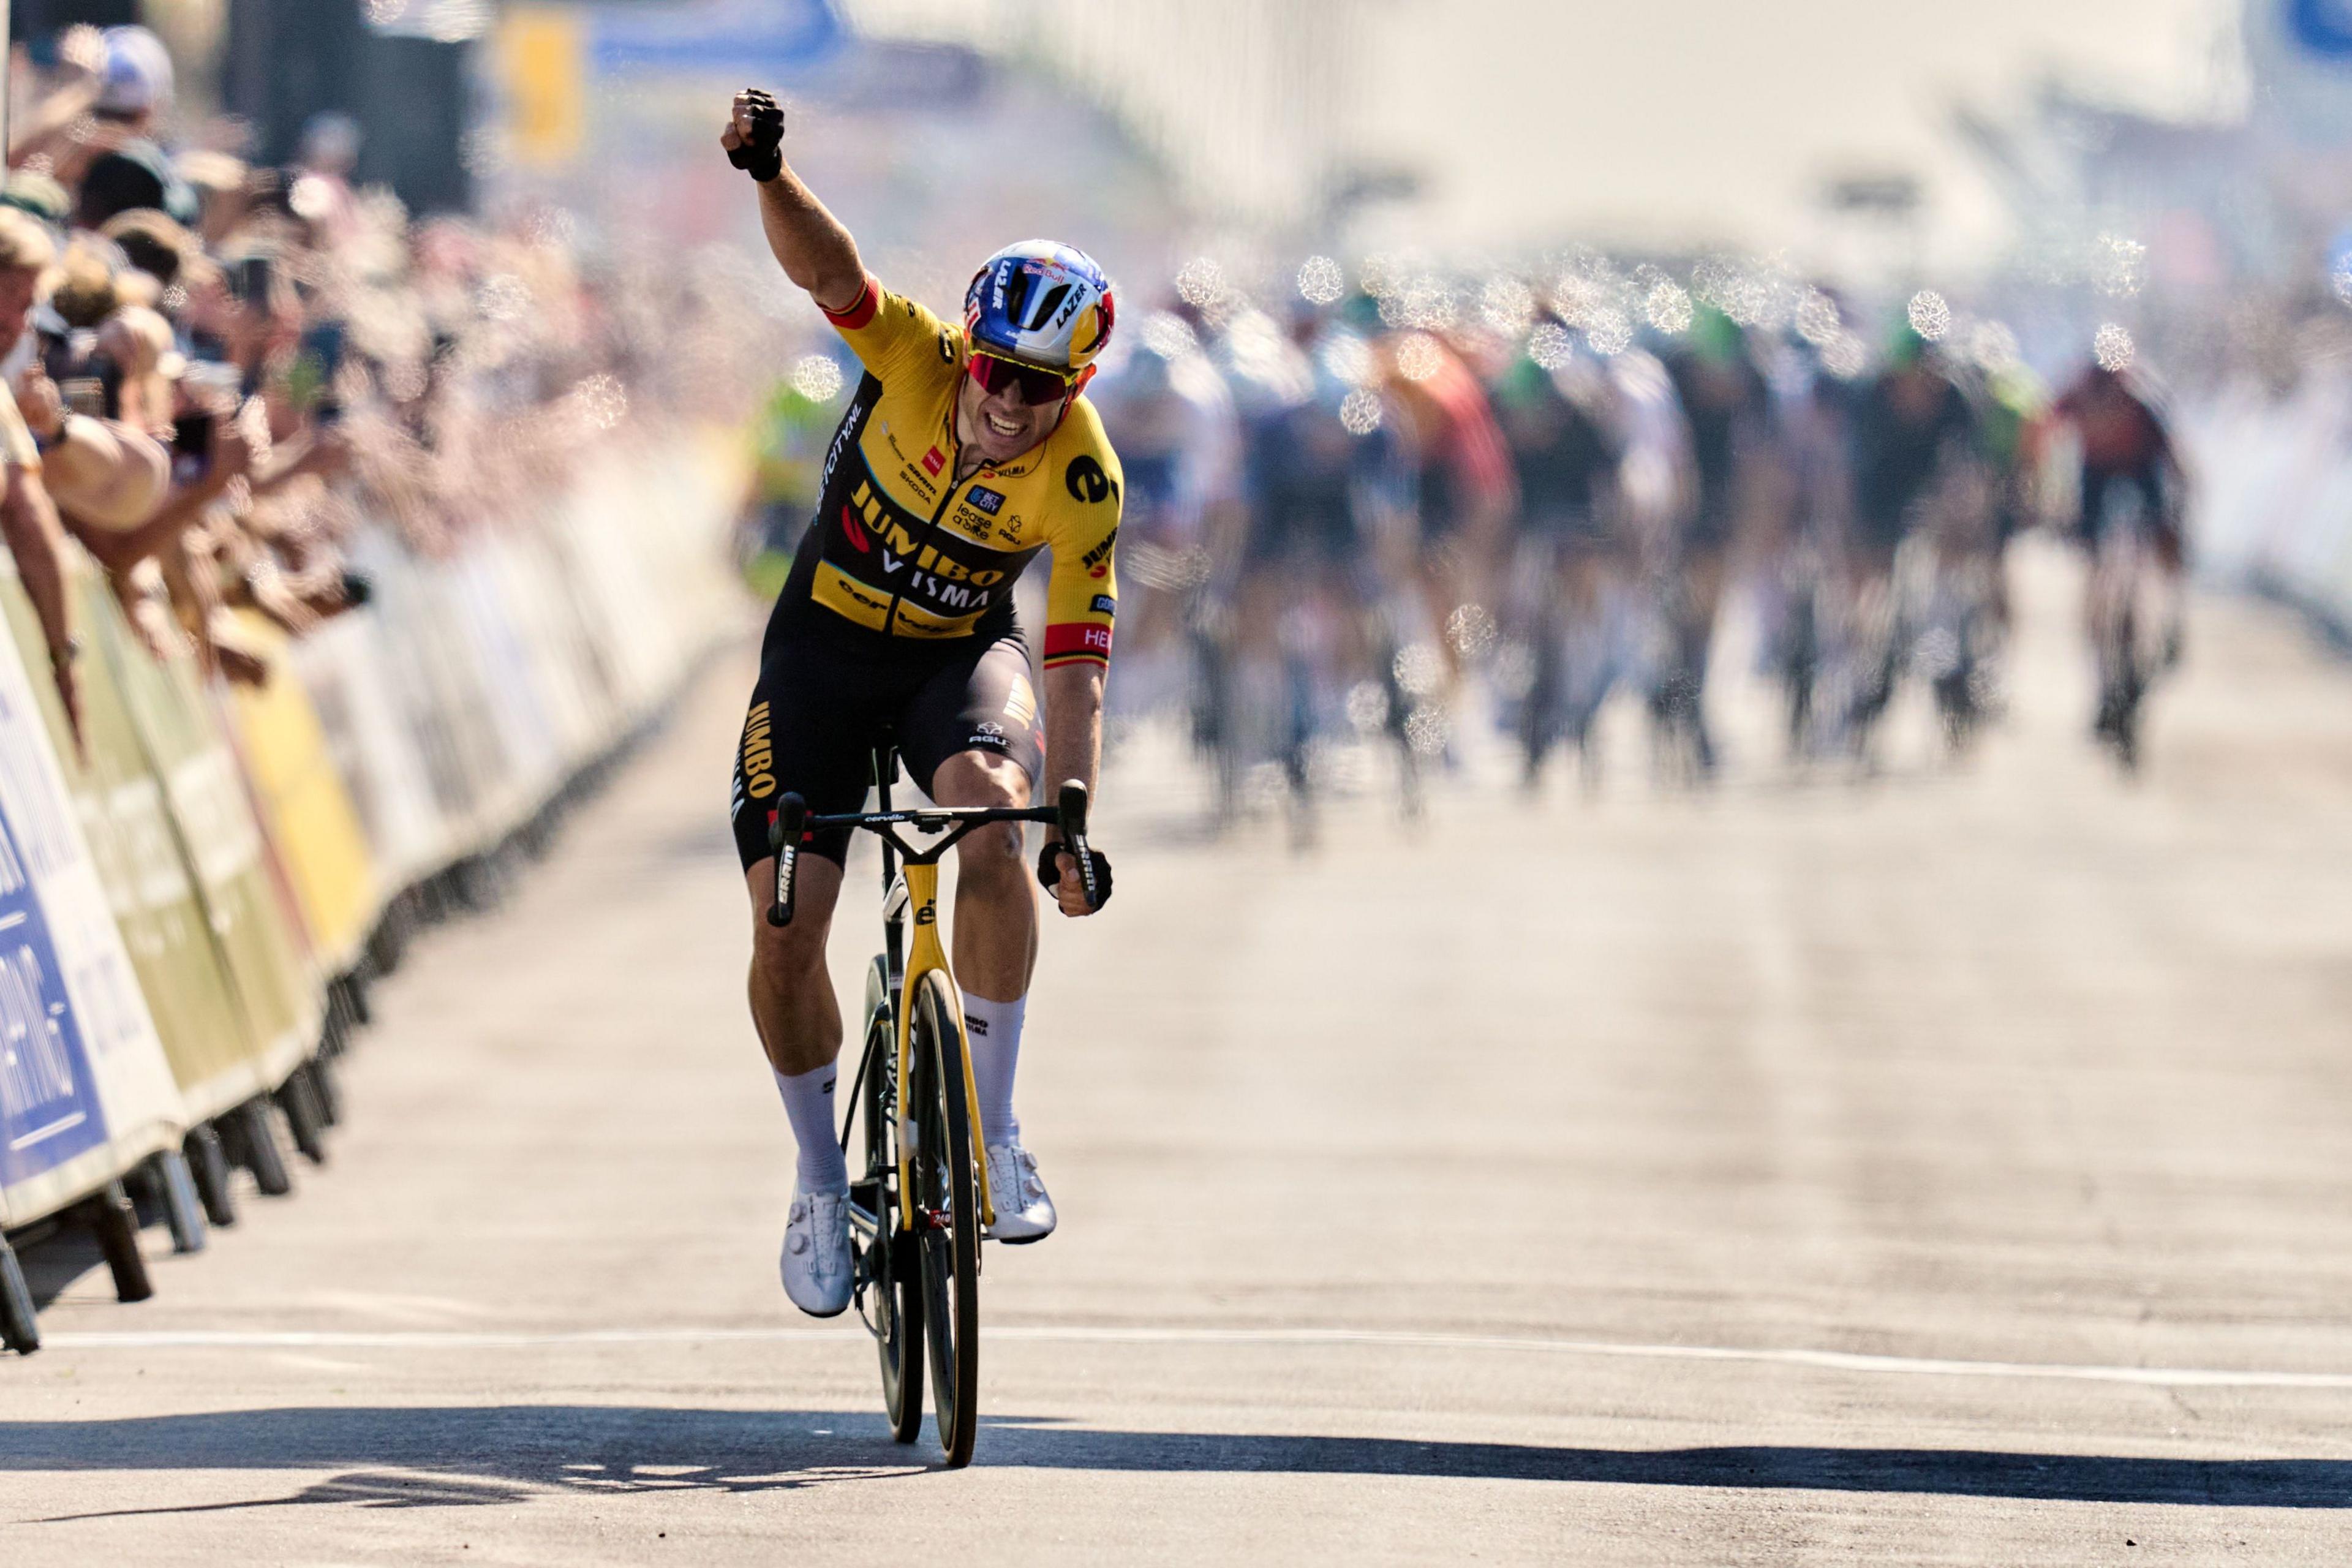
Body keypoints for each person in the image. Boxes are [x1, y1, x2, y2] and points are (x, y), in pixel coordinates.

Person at [718, 89, 1118, 1318]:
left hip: (957, 663)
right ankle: (814, 1181)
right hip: (822, 660)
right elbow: (830, 269)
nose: (1009, 403)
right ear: (969, 348)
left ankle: (992, 1135)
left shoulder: (1083, 477)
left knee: (996, 823)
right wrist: (771, 174)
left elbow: (1075, 657)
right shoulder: (910, 356)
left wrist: (1074, 817)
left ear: (1080, 384)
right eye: (998, 371)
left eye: (1043, 387)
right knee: (789, 924)